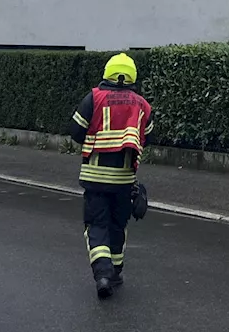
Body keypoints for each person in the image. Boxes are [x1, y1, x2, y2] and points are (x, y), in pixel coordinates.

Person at [69, 52, 154, 299]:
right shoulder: (141, 104)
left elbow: (75, 131)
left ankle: (102, 275)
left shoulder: (94, 98)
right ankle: (115, 272)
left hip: (95, 178)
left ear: (107, 73)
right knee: (118, 226)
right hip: (124, 181)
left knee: (97, 225)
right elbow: (147, 136)